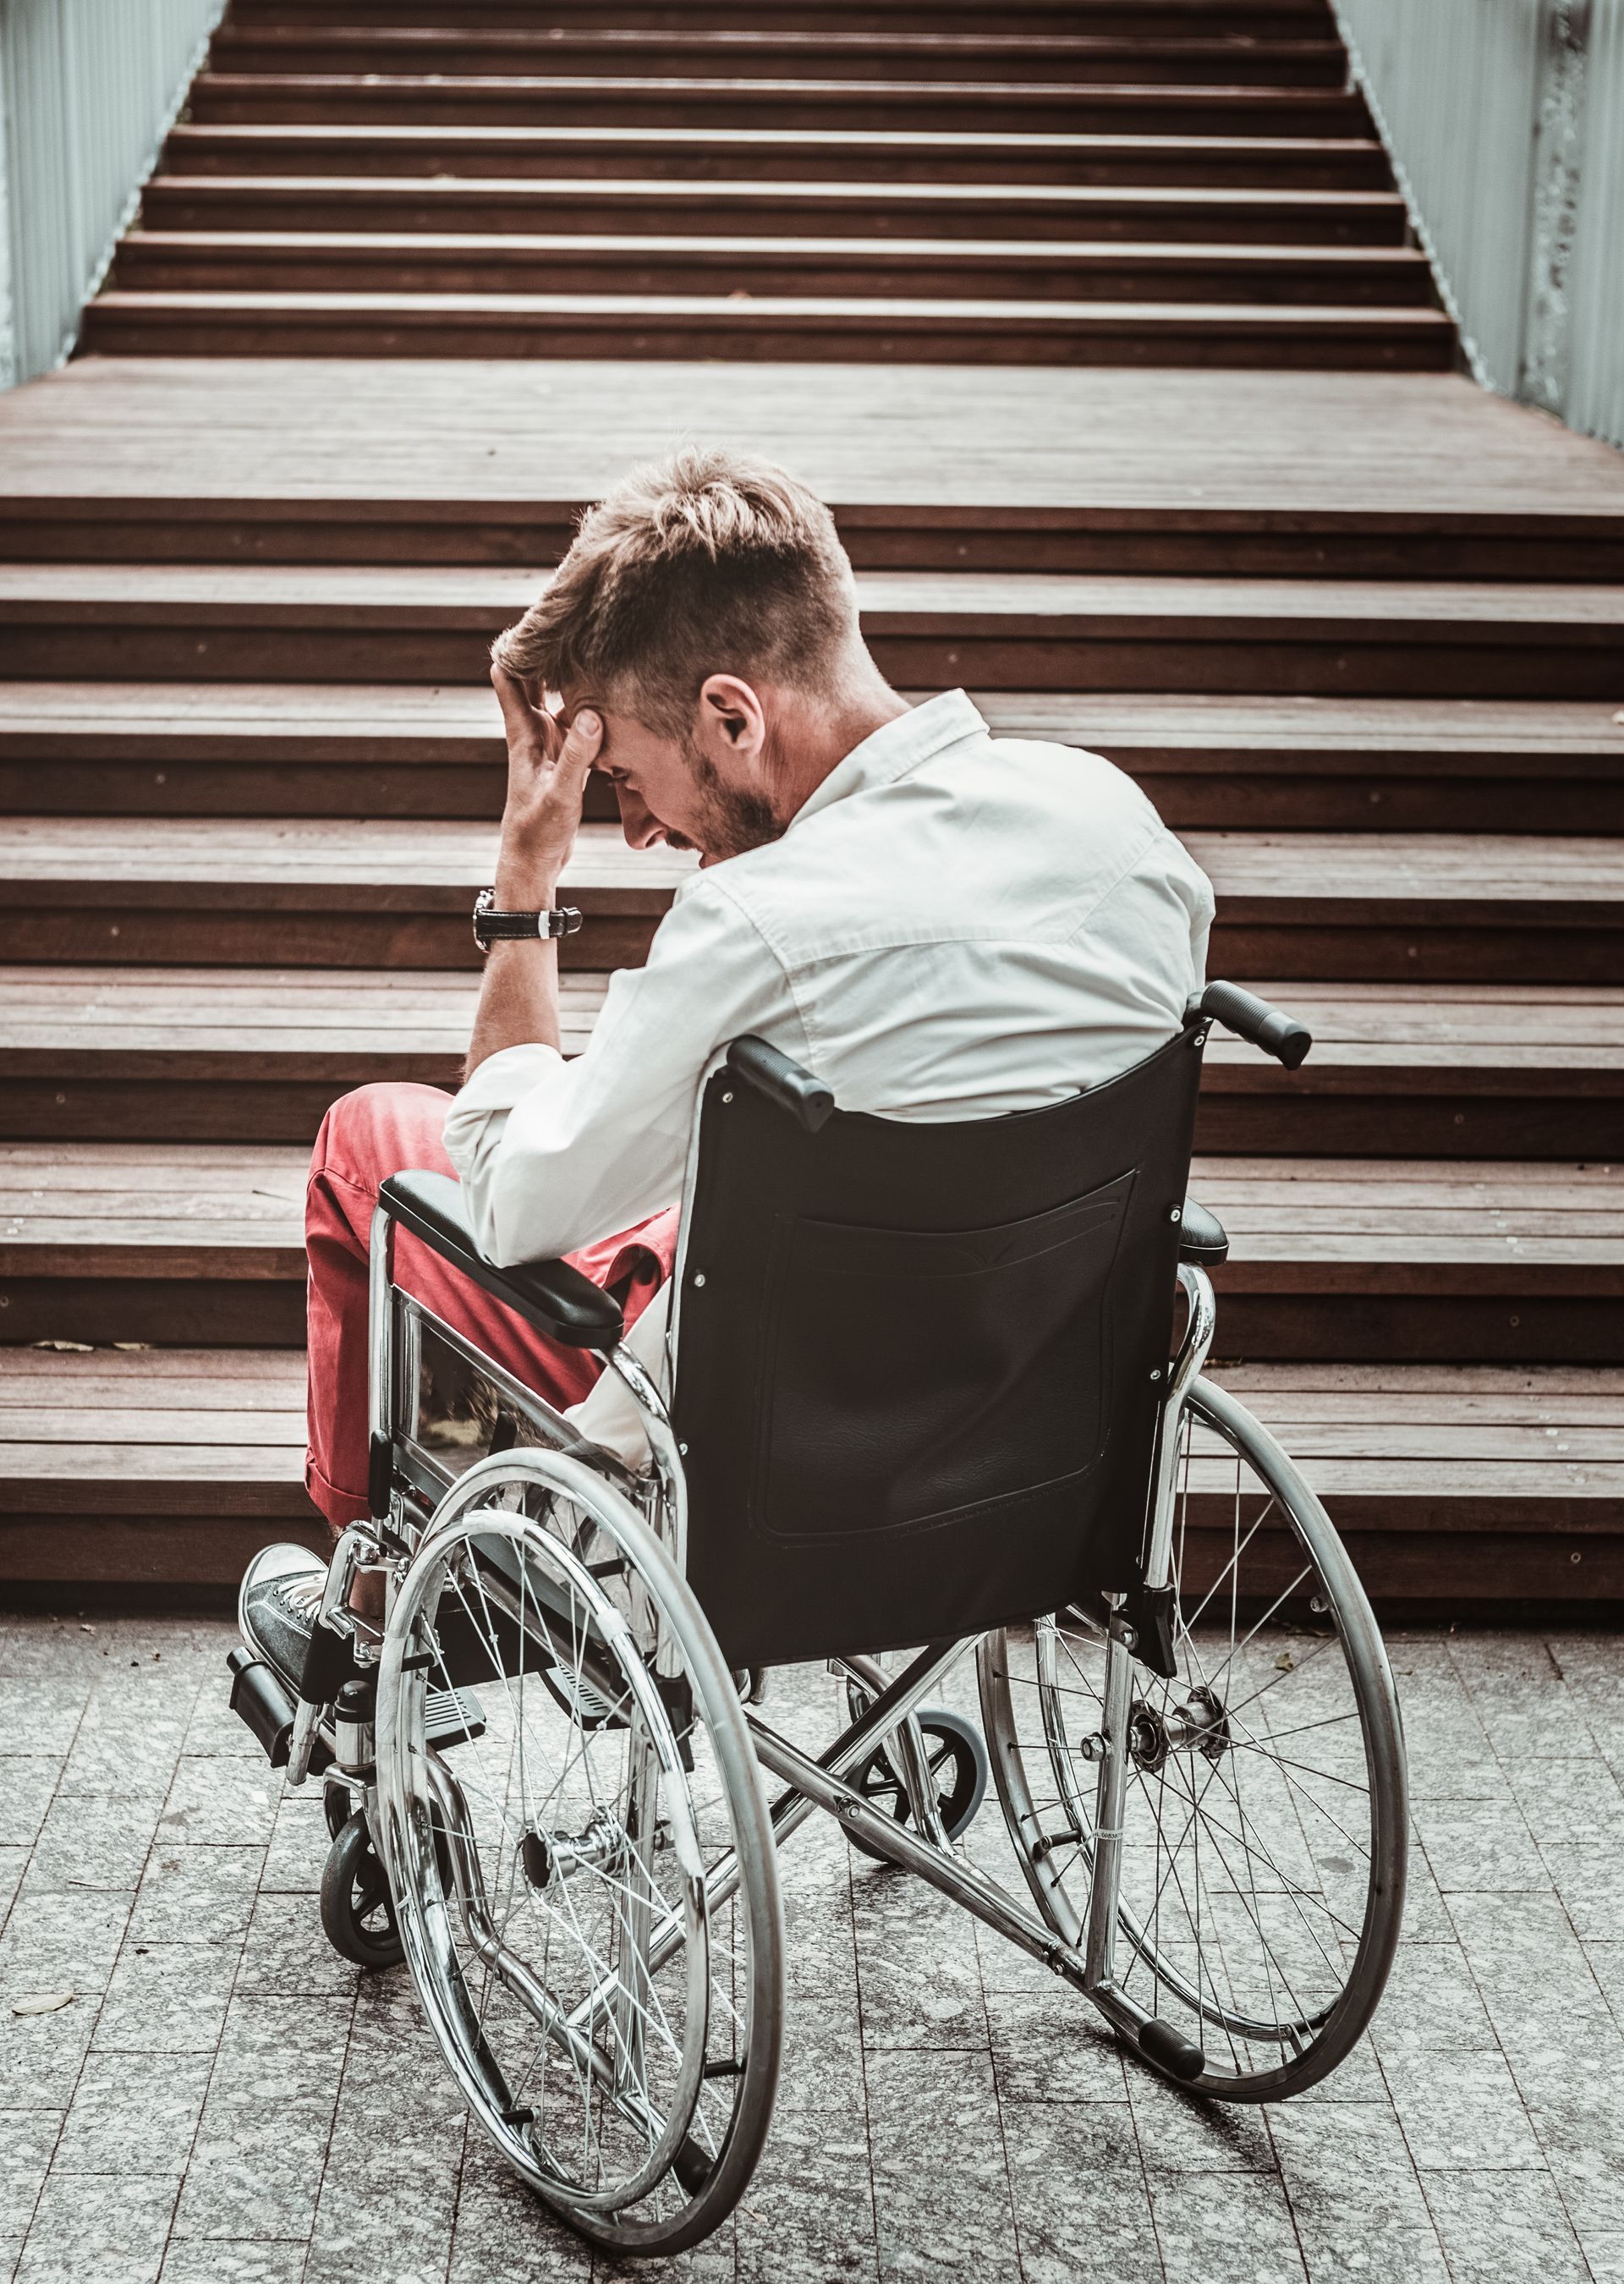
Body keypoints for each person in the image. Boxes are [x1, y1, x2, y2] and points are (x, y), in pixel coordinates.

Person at [239, 447, 1214, 1686]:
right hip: (1029, 1442)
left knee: (376, 1141)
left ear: (732, 717)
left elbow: (511, 1205)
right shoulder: (1118, 829)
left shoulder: (760, 924)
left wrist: (528, 880)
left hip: (760, 1463)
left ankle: (371, 1619)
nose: (638, 828)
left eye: (629, 778)